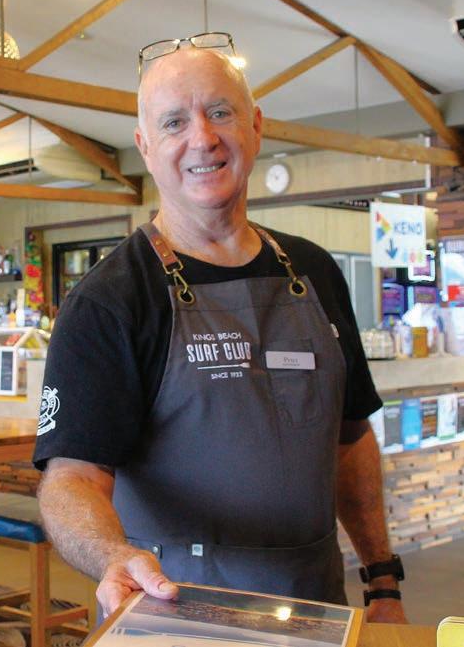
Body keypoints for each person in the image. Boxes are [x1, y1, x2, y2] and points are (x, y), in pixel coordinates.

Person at [33, 33, 407, 624]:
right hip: (174, 613)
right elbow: (70, 478)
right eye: (174, 122)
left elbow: (351, 438)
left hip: (317, 610)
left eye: (220, 112)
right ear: (145, 147)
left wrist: (382, 581)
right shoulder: (109, 299)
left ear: (255, 126)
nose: (202, 138)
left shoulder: (314, 272)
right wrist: (111, 556)